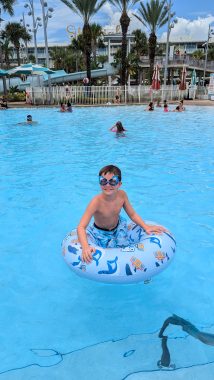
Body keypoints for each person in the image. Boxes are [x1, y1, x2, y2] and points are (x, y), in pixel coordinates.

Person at [77, 165, 167, 263]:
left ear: (119, 184)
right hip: (100, 233)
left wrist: (146, 227)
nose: (107, 185)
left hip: (119, 227)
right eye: (103, 181)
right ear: (99, 183)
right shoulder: (96, 202)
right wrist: (85, 247)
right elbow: (81, 227)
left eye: (112, 181)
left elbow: (132, 214)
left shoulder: (122, 195)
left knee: (125, 249)